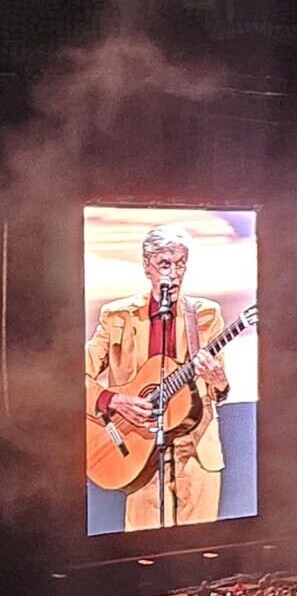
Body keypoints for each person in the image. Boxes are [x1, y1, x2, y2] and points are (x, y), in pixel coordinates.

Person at [85, 223, 231, 529]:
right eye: (165, 264)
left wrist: (219, 381)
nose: (174, 274)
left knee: (200, 545)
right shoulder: (117, 317)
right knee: (144, 547)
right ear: (146, 266)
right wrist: (114, 400)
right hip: (139, 449)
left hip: (196, 451)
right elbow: (72, 375)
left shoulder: (206, 315)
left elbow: (217, 389)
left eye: (180, 264)